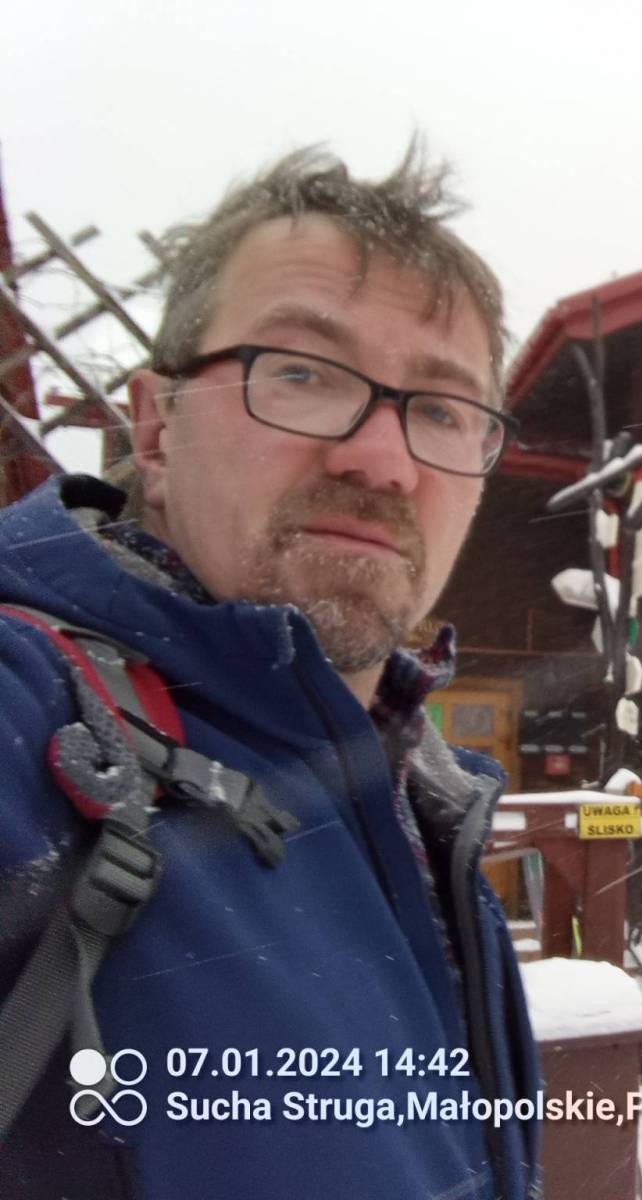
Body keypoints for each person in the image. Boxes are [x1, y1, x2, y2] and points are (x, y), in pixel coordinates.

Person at [0, 146, 540, 1199]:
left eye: (442, 410)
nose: (383, 460)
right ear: (155, 426)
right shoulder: (29, 721)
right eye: (302, 371)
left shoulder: (430, 804)